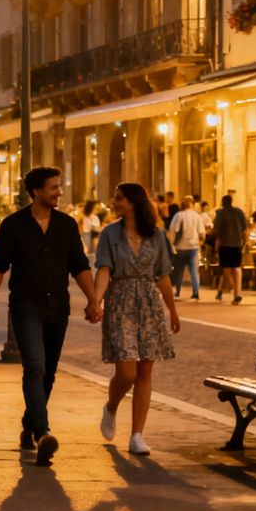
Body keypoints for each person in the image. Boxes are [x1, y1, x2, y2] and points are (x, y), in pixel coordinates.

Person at [0, 167, 100, 466]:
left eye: (59, 186)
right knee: (34, 366)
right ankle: (43, 433)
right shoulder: (13, 225)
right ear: (35, 192)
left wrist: (94, 300)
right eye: (53, 188)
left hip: (57, 308)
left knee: (48, 373)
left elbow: (79, 266)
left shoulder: (66, 225)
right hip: (25, 306)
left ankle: (29, 423)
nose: (59, 192)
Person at [94, 183, 180, 455]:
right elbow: (104, 269)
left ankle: (137, 435)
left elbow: (163, 275)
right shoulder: (110, 233)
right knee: (126, 372)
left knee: (145, 371)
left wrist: (172, 310)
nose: (115, 202)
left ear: (133, 202)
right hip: (120, 302)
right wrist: (96, 300)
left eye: (119, 198)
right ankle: (111, 407)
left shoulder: (157, 235)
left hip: (149, 304)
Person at [167, 195, 205, 299]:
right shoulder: (197, 216)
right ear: (192, 204)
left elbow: (173, 230)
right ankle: (196, 292)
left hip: (181, 247)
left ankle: (177, 291)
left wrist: (171, 243)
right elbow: (202, 232)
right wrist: (200, 243)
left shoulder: (179, 215)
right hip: (194, 247)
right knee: (194, 271)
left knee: (178, 270)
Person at [213, 195, 248, 305]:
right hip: (237, 244)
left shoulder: (220, 213)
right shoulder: (239, 212)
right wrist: (245, 243)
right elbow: (245, 229)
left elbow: (216, 231)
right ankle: (236, 294)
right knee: (236, 269)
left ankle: (231, 287)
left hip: (225, 244)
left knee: (226, 269)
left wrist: (216, 245)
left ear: (223, 202)